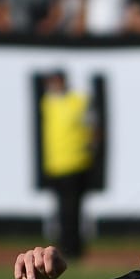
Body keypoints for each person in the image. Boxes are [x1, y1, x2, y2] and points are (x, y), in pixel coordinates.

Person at [38, 71, 98, 260]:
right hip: (56, 164)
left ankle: (73, 248)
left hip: (76, 163)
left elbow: (92, 127)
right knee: (62, 210)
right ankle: (65, 246)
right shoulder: (48, 103)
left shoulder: (78, 101)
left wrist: (90, 149)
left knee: (72, 209)